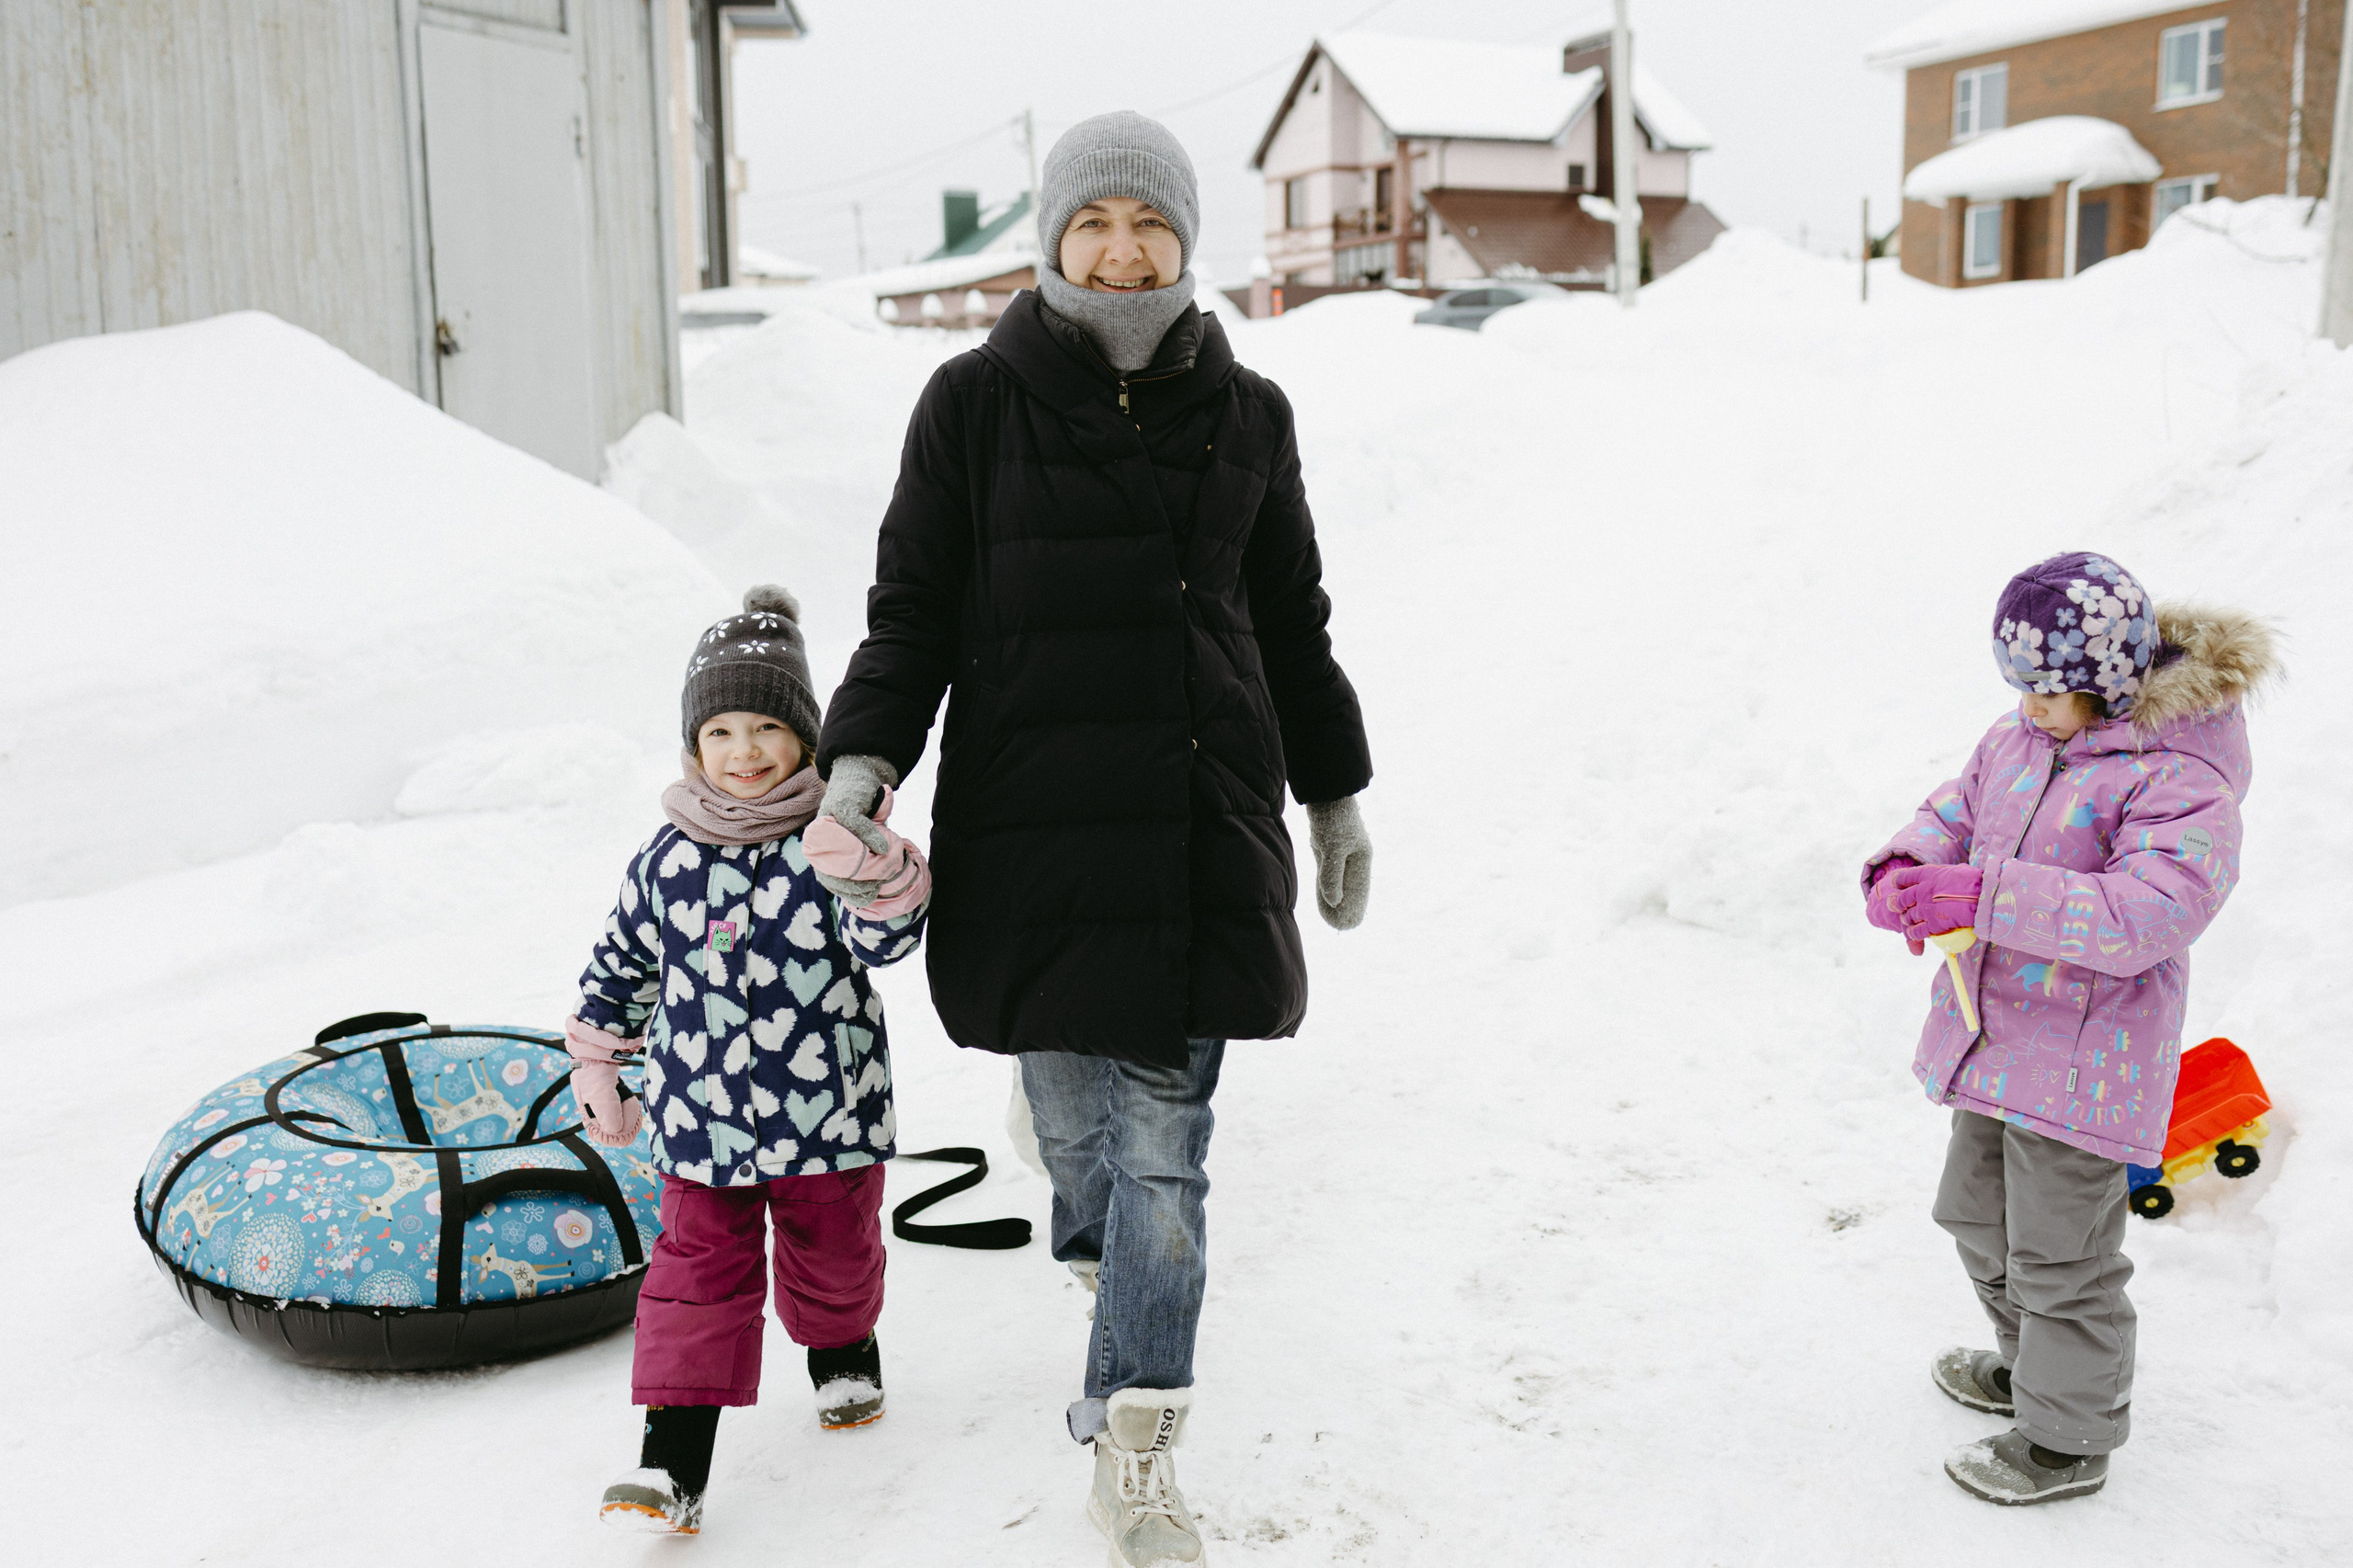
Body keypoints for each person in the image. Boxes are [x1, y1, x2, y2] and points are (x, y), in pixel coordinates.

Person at [816, 112, 1372, 1566]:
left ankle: (1134, 1440)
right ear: (1053, 237)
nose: (1123, 249)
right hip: (1036, 834)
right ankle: (1087, 1226)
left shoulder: (1249, 413)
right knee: (1085, 1149)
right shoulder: (970, 405)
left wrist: (1335, 790)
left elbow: (1294, 627)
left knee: (1168, 1173)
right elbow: (912, 611)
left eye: (1151, 223)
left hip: (1198, 832)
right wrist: (861, 763)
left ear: (1187, 240)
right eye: (1095, 222)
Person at [1863, 552, 2275, 1506]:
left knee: (2060, 1251)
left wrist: (1985, 892)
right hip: (1992, 1039)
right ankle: (2030, 1368)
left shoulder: (2181, 778)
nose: (2030, 708)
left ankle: (2065, 1435)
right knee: (1975, 1215)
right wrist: (1905, 868)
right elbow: (1953, 811)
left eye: (2053, 692)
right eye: (2020, 688)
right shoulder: (2016, 740)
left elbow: (2148, 911)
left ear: (2112, 679)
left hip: (2089, 1059)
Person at [567, 585, 933, 1536]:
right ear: (694, 747)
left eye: (767, 725)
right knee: (694, 1279)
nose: (745, 751)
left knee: (835, 1255)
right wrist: (600, 1059)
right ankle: (671, 1461)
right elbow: (622, 966)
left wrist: (878, 874)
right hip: (700, 1121)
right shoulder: (664, 857)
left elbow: (891, 944)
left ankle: (843, 1346)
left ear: (805, 737)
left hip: (830, 1111)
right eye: (721, 730)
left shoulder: (832, 842)